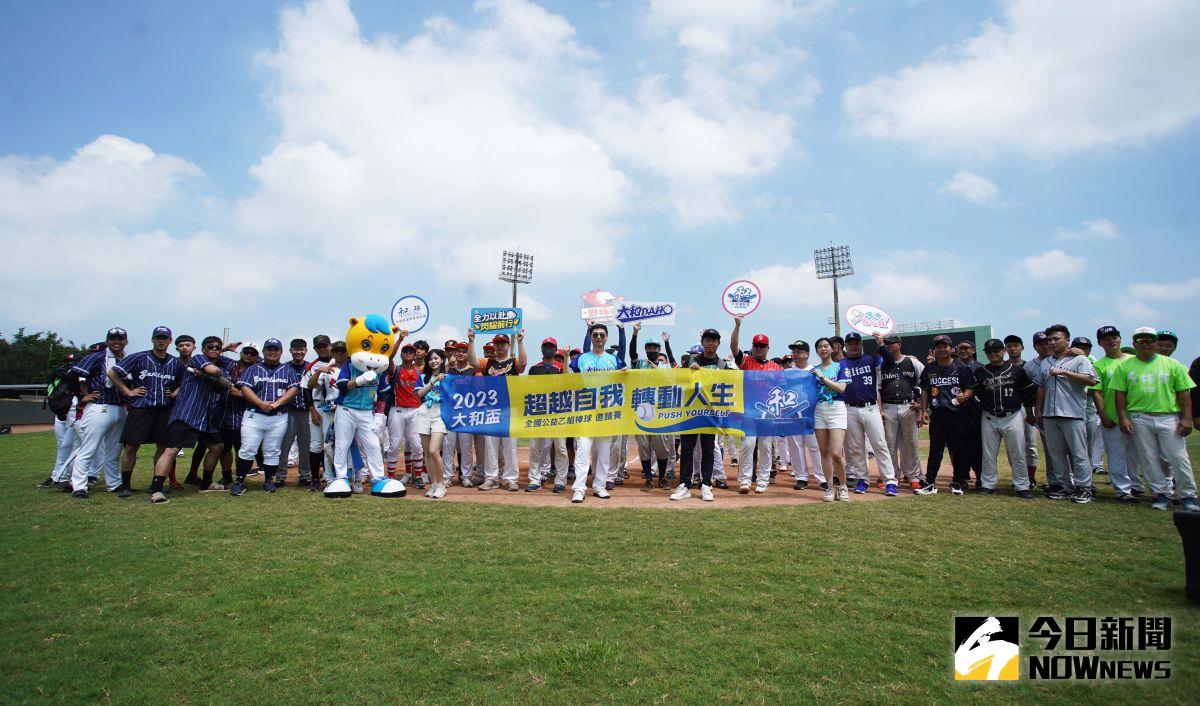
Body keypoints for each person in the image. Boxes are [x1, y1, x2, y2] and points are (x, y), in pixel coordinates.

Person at [1114, 328, 1198, 512]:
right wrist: (1123, 418)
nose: (1145, 344)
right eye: (1140, 340)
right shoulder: (1125, 366)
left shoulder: (1172, 365)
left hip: (1168, 416)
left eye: (1150, 340)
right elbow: (1120, 394)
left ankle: (1188, 496)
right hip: (1139, 416)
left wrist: (1187, 418)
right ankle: (1161, 494)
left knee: (1178, 456)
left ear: (1156, 343)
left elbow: (1184, 393)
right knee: (1148, 458)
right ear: (1134, 343)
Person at [148, 336, 235, 503]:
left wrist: (219, 377)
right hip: (187, 414)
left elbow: (227, 383)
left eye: (218, 347)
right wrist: (214, 374)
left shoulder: (219, 365)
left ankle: (207, 483)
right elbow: (215, 372)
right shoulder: (198, 359)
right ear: (202, 349)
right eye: (210, 346)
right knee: (172, 450)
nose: (214, 349)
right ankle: (156, 490)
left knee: (217, 446)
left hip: (205, 417)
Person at [106, 326, 182, 498]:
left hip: (164, 409)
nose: (161, 340)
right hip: (141, 408)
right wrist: (128, 391)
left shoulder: (175, 362)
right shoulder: (140, 357)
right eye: (158, 337)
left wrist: (175, 392)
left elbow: (185, 380)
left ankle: (156, 484)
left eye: (164, 338)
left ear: (170, 341)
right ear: (153, 339)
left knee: (163, 447)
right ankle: (126, 486)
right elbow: (112, 373)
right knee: (131, 446)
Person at [1035, 324, 1099, 504]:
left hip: (1072, 413)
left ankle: (1084, 487)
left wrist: (1065, 372)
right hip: (1050, 413)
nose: (1052, 342)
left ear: (1067, 340)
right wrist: (1039, 410)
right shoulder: (1046, 362)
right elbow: (1041, 387)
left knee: (1079, 453)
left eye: (1057, 338)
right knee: (1056, 453)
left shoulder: (1079, 359)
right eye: (1050, 340)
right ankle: (1063, 485)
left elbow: (1092, 380)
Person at [230, 339, 300, 495]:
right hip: (254, 414)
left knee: (272, 450)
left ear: (281, 352)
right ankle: (240, 481)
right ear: (263, 351)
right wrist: (260, 403)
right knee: (248, 448)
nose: (272, 352)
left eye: (276, 349)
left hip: (278, 416)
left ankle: (269, 481)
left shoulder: (287, 370)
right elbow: (244, 388)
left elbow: (294, 389)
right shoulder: (254, 369)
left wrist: (277, 403)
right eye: (269, 349)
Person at [669, 328, 730, 503]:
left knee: (708, 449)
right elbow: (678, 381)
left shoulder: (722, 365)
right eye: (707, 340)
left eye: (714, 340)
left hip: (710, 414)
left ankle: (706, 485)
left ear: (718, 344)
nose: (710, 343)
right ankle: (684, 485)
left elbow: (729, 386)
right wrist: (689, 371)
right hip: (690, 413)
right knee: (687, 449)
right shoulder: (691, 360)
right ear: (702, 342)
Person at [68, 327, 130, 498]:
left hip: (120, 407)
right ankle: (79, 486)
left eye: (120, 339)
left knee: (114, 451)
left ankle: (114, 483)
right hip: (100, 406)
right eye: (113, 338)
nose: (116, 342)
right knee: (89, 448)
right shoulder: (97, 357)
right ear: (107, 341)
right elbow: (73, 375)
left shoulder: (126, 359)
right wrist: (83, 395)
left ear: (125, 341)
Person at [972, 339, 1038, 497]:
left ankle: (1022, 486)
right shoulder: (980, 372)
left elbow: (1027, 394)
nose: (993, 354)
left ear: (1003, 351)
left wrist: (1030, 414)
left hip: (1012, 415)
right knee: (988, 453)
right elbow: (977, 393)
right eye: (989, 351)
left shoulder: (1017, 371)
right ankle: (988, 484)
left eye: (996, 350)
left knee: (1018, 453)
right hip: (989, 416)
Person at [569, 322, 626, 503]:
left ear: (607, 337)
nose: (599, 337)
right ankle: (579, 489)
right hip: (585, 411)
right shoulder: (581, 359)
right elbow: (569, 377)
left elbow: (623, 375)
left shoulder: (614, 360)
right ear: (590, 337)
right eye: (595, 335)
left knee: (604, 452)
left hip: (606, 412)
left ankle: (599, 486)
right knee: (582, 451)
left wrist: (624, 374)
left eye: (602, 334)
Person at [468, 331, 527, 491]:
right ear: (494, 345)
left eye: (503, 343)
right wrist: (471, 341)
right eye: (497, 343)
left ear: (508, 345)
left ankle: (511, 479)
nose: (500, 345)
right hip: (491, 409)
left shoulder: (513, 361)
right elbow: (472, 362)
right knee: (490, 447)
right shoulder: (487, 362)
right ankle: (491, 478)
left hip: (509, 409)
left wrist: (520, 342)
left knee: (510, 446)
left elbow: (523, 364)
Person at [840, 332, 898, 496]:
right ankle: (862, 480)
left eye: (856, 342)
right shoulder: (840, 364)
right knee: (857, 448)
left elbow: (890, 363)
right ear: (845, 346)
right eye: (850, 343)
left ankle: (890, 481)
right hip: (849, 409)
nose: (853, 345)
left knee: (880, 444)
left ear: (861, 344)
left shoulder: (871, 359)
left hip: (870, 407)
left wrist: (881, 345)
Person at [729, 315, 782, 494]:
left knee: (766, 447)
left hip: (768, 412)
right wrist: (737, 325)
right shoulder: (746, 361)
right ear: (752, 346)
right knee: (748, 445)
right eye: (756, 345)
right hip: (749, 410)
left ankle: (763, 480)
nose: (759, 348)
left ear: (768, 348)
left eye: (762, 346)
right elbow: (733, 347)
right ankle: (745, 480)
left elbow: (782, 388)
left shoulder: (776, 367)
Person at [917, 335, 975, 496]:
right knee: (935, 450)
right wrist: (924, 411)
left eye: (945, 346)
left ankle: (958, 482)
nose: (942, 349)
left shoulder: (961, 367)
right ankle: (930, 483)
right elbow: (924, 390)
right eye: (939, 347)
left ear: (951, 348)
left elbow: (971, 387)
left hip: (958, 414)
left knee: (958, 450)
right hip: (938, 414)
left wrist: (965, 395)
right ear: (934, 350)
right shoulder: (930, 368)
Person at [1092, 326, 1142, 503]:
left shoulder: (1134, 361)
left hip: (1137, 414)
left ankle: (1136, 485)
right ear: (1100, 343)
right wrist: (1103, 415)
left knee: (1137, 453)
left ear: (1120, 339)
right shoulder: (1099, 365)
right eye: (1106, 339)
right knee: (1116, 454)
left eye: (1114, 337)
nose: (1111, 341)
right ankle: (1122, 490)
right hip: (1112, 416)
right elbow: (1097, 392)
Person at [629, 325, 676, 489]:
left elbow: (670, 380)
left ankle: (662, 478)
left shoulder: (665, 367)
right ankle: (648, 479)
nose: (652, 350)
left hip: (659, 410)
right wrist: (635, 334)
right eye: (649, 347)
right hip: (642, 408)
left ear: (659, 349)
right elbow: (632, 354)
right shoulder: (640, 364)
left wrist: (656, 369)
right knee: (643, 446)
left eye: (655, 347)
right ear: (646, 349)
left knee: (661, 447)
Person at [879, 334, 923, 493]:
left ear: (899, 344)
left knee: (911, 444)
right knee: (889, 445)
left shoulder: (912, 362)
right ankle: (892, 476)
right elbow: (878, 388)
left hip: (908, 406)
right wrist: (880, 409)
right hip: (888, 406)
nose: (889, 346)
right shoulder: (882, 364)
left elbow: (925, 383)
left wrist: (921, 406)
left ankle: (913, 477)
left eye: (891, 343)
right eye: (886, 344)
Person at [526, 336, 570, 493]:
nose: (548, 349)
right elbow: (528, 389)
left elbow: (568, 380)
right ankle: (534, 479)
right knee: (535, 447)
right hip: (539, 412)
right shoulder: (534, 369)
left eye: (551, 346)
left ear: (556, 350)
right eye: (546, 346)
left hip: (558, 413)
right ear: (541, 349)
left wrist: (566, 357)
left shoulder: (561, 367)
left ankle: (560, 481)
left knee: (561, 448)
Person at [809, 337, 851, 502]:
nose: (823, 349)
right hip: (819, 409)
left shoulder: (840, 366)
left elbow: (841, 388)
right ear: (817, 351)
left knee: (836, 453)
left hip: (836, 408)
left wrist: (822, 378)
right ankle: (830, 487)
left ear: (832, 349)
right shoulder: (814, 370)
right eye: (820, 346)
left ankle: (843, 486)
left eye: (826, 346)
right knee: (824, 451)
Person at [784, 340, 824, 491]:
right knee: (795, 446)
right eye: (794, 352)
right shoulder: (787, 373)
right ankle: (801, 477)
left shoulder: (815, 371)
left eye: (800, 352)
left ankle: (822, 477)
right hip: (792, 415)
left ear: (807, 354)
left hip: (812, 414)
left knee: (815, 447)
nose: (796, 355)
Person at [385, 342, 424, 486]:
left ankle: (418, 477)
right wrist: (399, 340)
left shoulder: (419, 372)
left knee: (416, 445)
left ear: (415, 355)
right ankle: (390, 478)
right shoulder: (396, 369)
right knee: (394, 445)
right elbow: (389, 357)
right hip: (397, 409)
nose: (408, 353)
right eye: (405, 351)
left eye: (411, 351)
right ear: (401, 354)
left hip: (415, 410)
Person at [1004, 334, 1040, 487]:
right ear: (1005, 349)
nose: (1012, 348)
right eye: (1009, 346)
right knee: (1012, 446)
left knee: (1030, 443)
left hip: (1027, 407)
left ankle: (1030, 477)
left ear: (1022, 348)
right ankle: (1018, 475)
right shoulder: (1003, 366)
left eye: (1015, 345)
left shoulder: (1029, 366)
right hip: (1010, 409)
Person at [277, 338, 312, 487]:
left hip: (306, 410)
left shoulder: (310, 367)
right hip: (288, 410)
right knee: (284, 444)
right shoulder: (284, 368)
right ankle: (280, 476)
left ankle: (304, 475)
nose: (298, 352)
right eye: (295, 349)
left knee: (305, 445)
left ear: (306, 350)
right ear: (290, 351)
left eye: (301, 349)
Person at [444, 341, 480, 486]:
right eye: (458, 351)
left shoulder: (473, 371)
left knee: (466, 447)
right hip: (451, 414)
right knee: (448, 446)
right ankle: (447, 476)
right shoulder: (450, 371)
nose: (460, 353)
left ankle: (466, 476)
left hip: (467, 414)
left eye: (464, 351)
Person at [416, 348, 449, 498]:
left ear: (442, 360)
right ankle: (433, 484)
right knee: (427, 453)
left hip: (440, 414)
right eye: (430, 359)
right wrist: (433, 381)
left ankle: (441, 484)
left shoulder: (447, 377)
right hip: (424, 412)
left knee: (434, 451)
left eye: (436, 358)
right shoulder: (423, 377)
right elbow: (419, 394)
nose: (433, 361)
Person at [1072, 335, 1106, 478]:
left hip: (1089, 407)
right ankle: (1073, 475)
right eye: (1078, 347)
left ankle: (1087, 477)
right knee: (1073, 444)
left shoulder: (1093, 361)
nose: (1082, 350)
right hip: (1072, 408)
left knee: (1089, 444)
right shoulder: (1067, 361)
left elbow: (1095, 385)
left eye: (1085, 348)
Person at [956, 339, 984, 488]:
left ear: (973, 350)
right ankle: (962, 477)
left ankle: (980, 476)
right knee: (959, 446)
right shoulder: (953, 366)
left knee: (977, 445)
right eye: (960, 348)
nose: (963, 350)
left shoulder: (981, 368)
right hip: (957, 412)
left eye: (966, 348)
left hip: (976, 411)